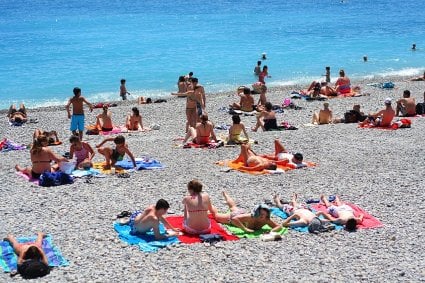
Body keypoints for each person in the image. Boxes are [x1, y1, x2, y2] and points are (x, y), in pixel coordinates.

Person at [212, 192, 280, 233]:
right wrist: (245, 229)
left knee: (233, 207)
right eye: (261, 214)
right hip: (233, 217)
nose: (263, 216)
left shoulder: (266, 220)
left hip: (241, 213)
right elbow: (234, 219)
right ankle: (208, 204)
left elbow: (278, 226)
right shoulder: (251, 217)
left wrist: (271, 231)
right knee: (216, 216)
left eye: (265, 215)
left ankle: (226, 195)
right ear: (257, 213)